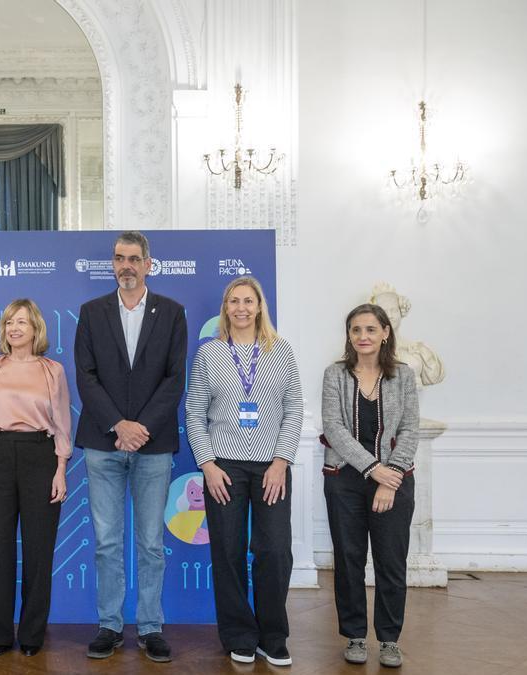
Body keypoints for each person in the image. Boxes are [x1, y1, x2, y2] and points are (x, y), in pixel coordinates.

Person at [73, 231, 186, 662]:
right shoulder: (92, 311)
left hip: (154, 446)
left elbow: (175, 378)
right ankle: (110, 624)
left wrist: (141, 429)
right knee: (106, 541)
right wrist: (118, 425)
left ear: (148, 264)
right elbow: (86, 376)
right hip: (102, 443)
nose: (126, 266)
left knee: (152, 541)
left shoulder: (172, 313)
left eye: (134, 259)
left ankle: (152, 626)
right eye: (119, 259)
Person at [185, 276, 303, 667]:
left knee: (273, 550)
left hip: (272, 466)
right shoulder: (210, 354)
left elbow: (294, 410)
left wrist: (281, 462)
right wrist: (208, 465)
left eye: (248, 301)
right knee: (227, 550)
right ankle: (239, 634)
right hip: (224, 467)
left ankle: (273, 635)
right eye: (234, 301)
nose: (241, 308)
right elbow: (194, 413)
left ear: (259, 307)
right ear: (225, 307)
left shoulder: (281, 351)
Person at [320, 303, 419, 669]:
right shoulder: (335, 374)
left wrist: (388, 477)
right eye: (356, 330)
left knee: (391, 562)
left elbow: (410, 428)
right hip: (344, 480)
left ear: (385, 333)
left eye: (370, 330)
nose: (363, 337)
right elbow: (334, 428)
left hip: (395, 481)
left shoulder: (403, 376)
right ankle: (355, 636)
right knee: (348, 560)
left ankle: (390, 640)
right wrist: (373, 469)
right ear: (349, 335)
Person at [0, 299, 71, 657]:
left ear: (36, 329)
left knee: (38, 551)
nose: (14, 328)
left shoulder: (52, 370)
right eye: (10, 322)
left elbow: (61, 421)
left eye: (22, 323)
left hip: (41, 457)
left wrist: (60, 469)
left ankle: (32, 635)